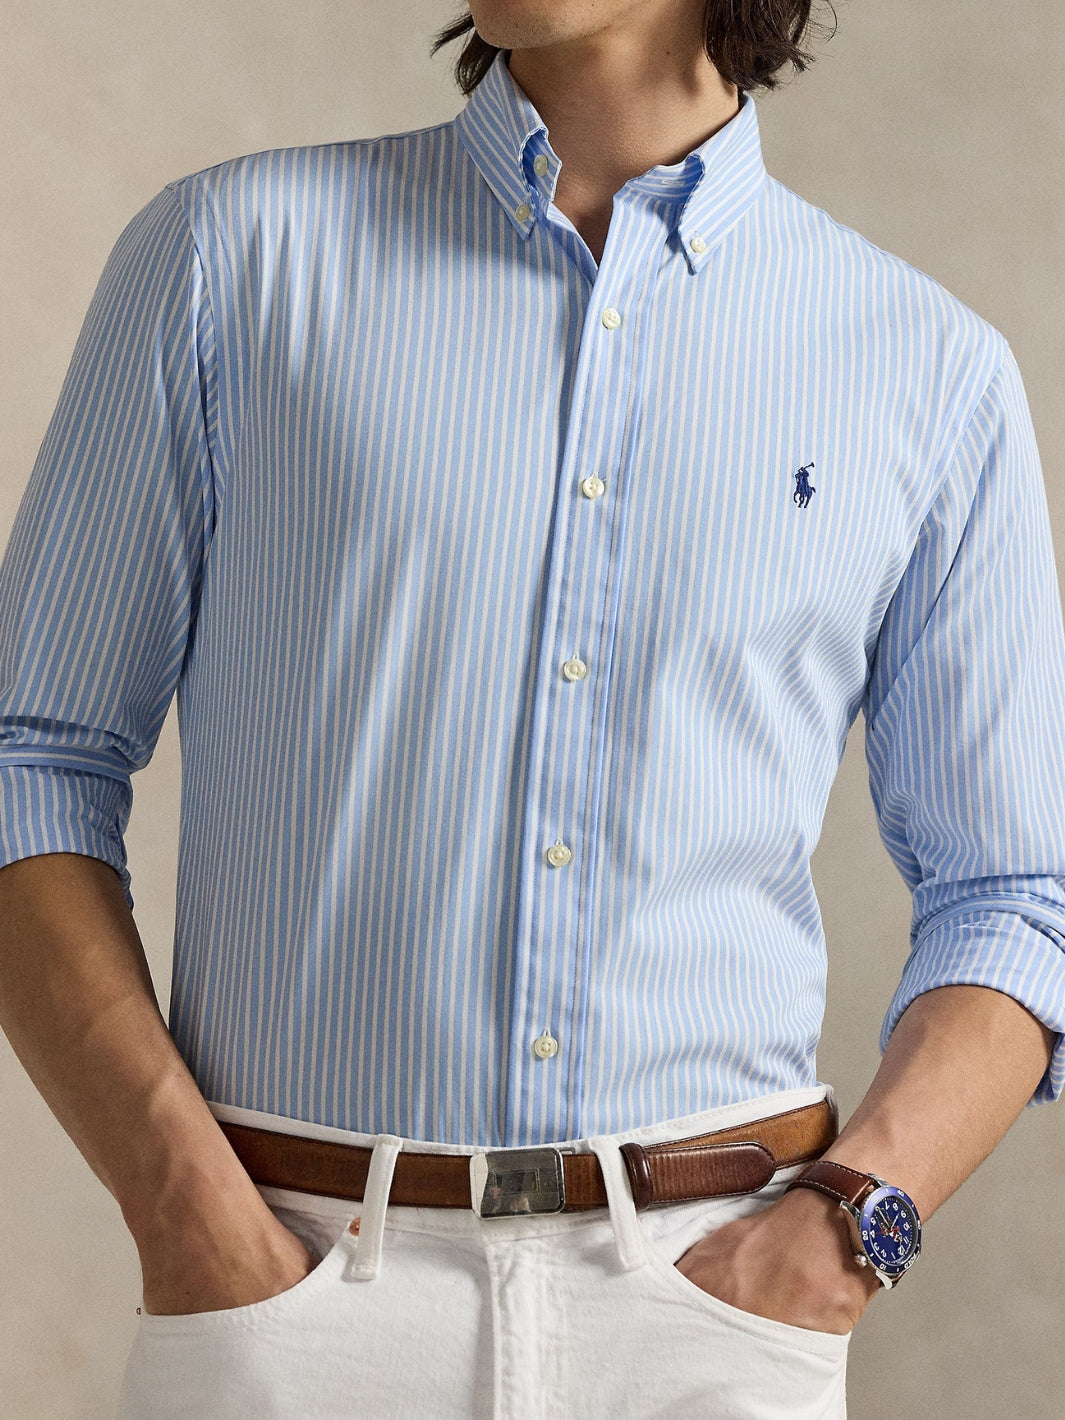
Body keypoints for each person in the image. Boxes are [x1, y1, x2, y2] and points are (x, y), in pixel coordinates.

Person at [1, 2, 1063, 1416]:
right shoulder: (230, 262)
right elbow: (30, 755)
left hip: (715, 1321)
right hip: (291, 1302)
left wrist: (841, 1235)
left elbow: (1018, 894)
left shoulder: (926, 369)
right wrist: (178, 1200)